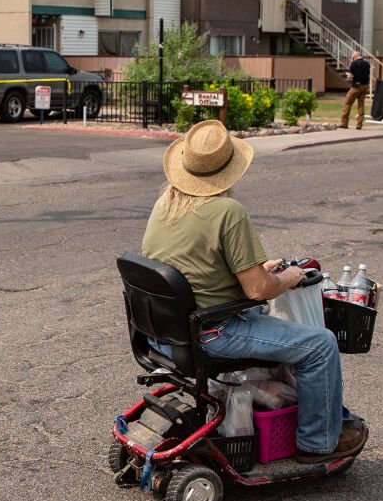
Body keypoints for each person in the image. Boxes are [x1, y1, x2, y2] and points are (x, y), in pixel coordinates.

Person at [141, 119, 367, 459]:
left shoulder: (165, 204)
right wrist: (288, 276)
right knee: (321, 345)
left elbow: (200, 268)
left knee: (285, 335)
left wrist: (262, 267)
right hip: (212, 332)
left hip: (164, 335)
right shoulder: (227, 211)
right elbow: (258, 290)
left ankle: (307, 421)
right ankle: (317, 443)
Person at [340, 52, 372, 129]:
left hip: (356, 86)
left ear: (355, 56)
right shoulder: (367, 64)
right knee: (361, 105)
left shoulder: (354, 64)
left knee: (347, 103)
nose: (352, 58)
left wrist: (348, 78)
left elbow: (351, 75)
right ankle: (359, 124)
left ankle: (344, 123)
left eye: (352, 57)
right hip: (365, 86)